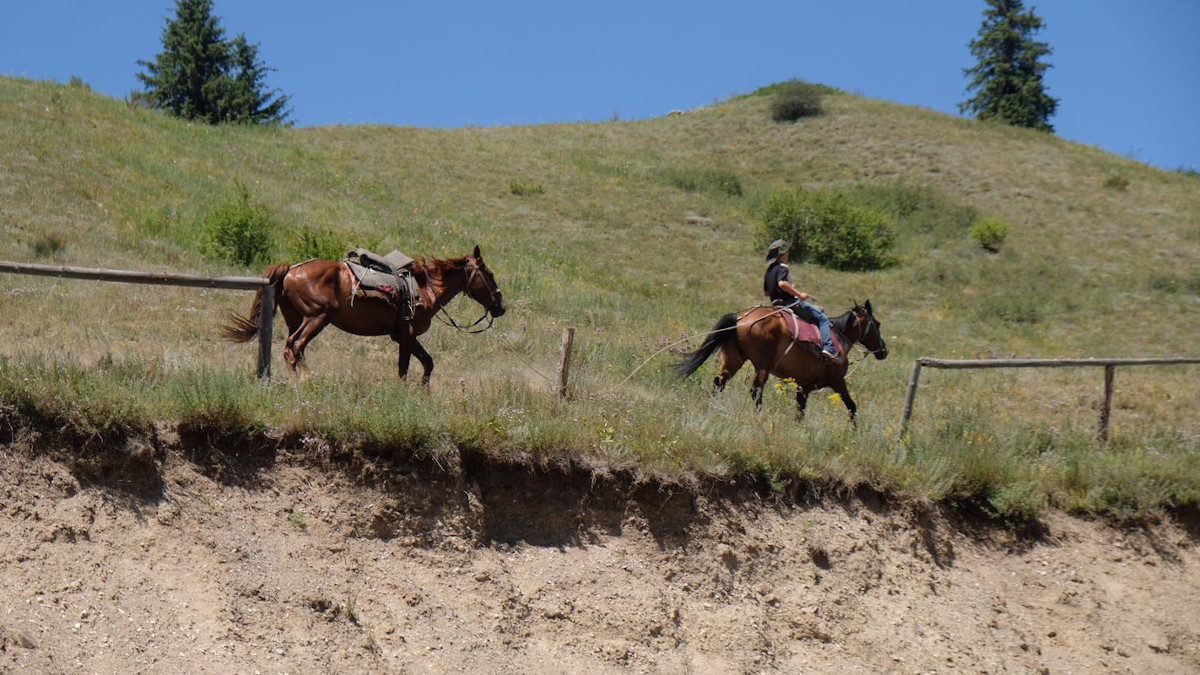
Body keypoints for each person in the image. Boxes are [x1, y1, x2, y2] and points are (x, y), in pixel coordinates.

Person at [763, 239, 841, 363]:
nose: (788, 254)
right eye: (787, 252)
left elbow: (766, 292)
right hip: (790, 303)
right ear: (784, 254)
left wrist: (786, 289)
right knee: (822, 319)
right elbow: (782, 283)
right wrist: (798, 294)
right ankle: (829, 348)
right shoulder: (783, 267)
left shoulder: (770, 270)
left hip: (775, 304)